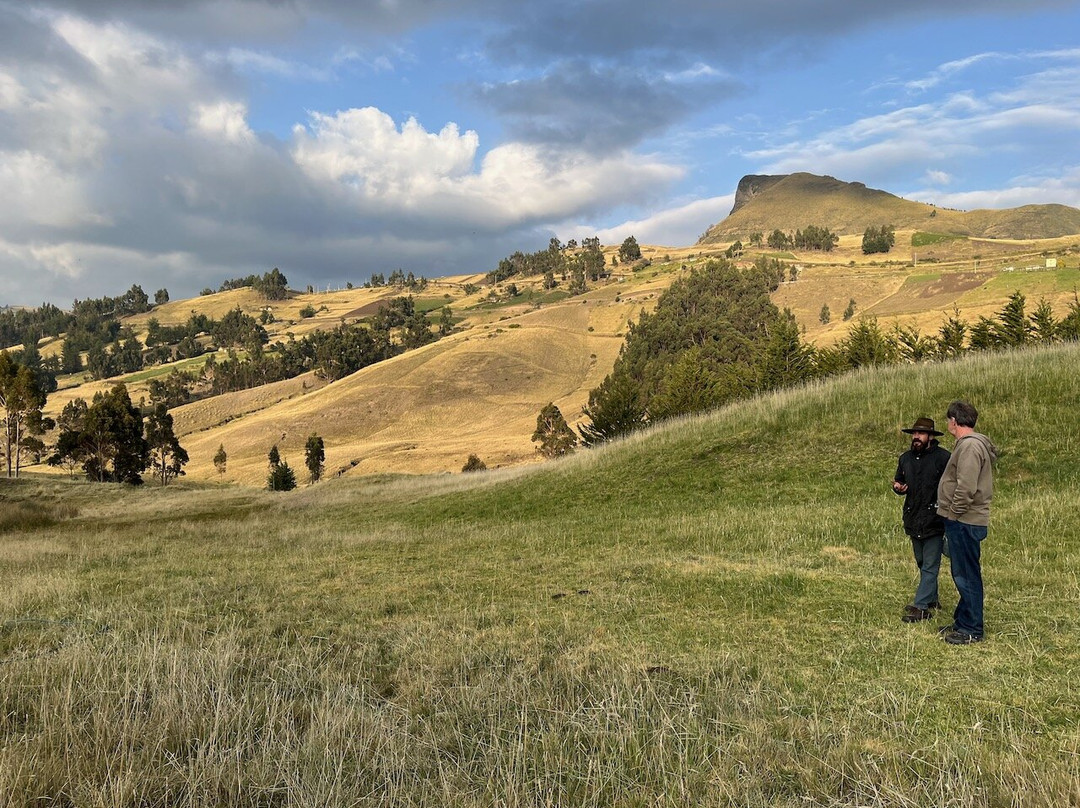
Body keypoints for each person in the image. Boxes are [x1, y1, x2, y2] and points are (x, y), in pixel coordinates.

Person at [936, 401, 997, 645]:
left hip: (964, 520)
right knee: (962, 571)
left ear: (954, 420)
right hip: (964, 519)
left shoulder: (970, 447)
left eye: (948, 420)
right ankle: (963, 621)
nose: (947, 424)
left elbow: (966, 487)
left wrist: (953, 514)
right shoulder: (968, 445)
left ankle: (972, 628)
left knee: (966, 574)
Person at [892, 417, 951, 623]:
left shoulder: (944, 458)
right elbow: (899, 480)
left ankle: (921, 606)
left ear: (931, 436)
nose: (916, 437)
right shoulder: (905, 458)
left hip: (935, 519)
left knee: (930, 565)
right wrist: (898, 488)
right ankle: (932, 599)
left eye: (921, 433)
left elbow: (953, 486)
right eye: (914, 433)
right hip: (913, 518)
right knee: (921, 561)